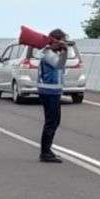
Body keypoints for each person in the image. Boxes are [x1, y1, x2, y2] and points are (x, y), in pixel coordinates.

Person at [38, 29, 70, 163]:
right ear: (56, 40)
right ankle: (45, 153)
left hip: (53, 92)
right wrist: (65, 51)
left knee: (54, 122)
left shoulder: (49, 52)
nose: (64, 43)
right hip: (49, 92)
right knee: (51, 123)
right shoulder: (48, 53)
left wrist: (62, 50)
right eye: (62, 40)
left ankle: (47, 150)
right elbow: (59, 65)